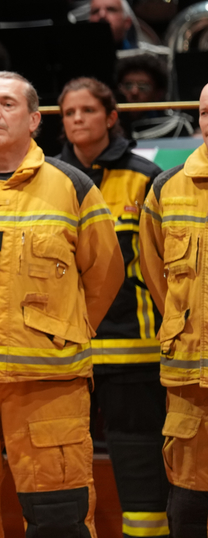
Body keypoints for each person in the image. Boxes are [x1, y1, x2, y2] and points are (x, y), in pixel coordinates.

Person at [0, 72, 124, 538]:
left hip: (48, 385)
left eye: (7, 104)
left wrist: (65, 330)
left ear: (34, 119)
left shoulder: (72, 186)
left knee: (59, 519)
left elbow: (106, 272)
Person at [56, 77, 168, 537]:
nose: (78, 119)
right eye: (69, 112)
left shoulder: (146, 177)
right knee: (60, 472)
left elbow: (162, 264)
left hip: (133, 352)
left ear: (111, 117)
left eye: (88, 110)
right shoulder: (49, 179)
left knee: (142, 475)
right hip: (66, 352)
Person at [138, 83, 208, 536]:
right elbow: (154, 273)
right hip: (190, 386)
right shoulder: (167, 187)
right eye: (204, 112)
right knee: (188, 506)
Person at [115, 54, 195, 139]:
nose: (134, 92)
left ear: (158, 94)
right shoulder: (110, 126)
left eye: (143, 87)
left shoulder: (176, 127)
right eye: (128, 86)